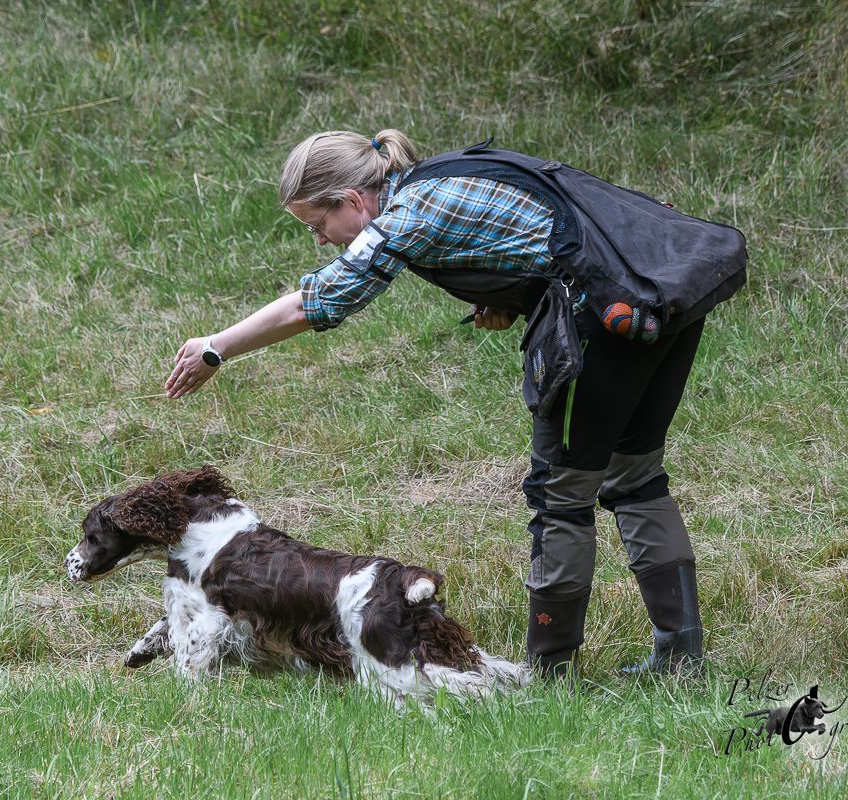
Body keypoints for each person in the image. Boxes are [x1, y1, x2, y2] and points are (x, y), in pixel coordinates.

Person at [164, 129, 706, 678]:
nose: (322, 241)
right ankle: (680, 660)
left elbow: (315, 304)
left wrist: (216, 347)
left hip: (606, 316)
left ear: (351, 200)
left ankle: (549, 675)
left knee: (560, 495)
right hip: (662, 296)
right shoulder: (441, 177)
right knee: (635, 477)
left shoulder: (408, 214)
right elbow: (540, 236)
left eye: (317, 225)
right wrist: (509, 294)